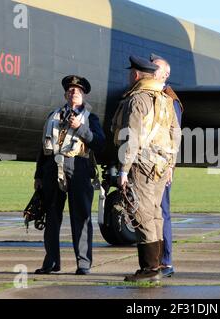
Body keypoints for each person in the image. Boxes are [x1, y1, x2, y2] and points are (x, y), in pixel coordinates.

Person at [112, 56, 181, 282]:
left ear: (136, 75)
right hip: (161, 166)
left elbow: (131, 138)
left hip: (141, 164)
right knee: (155, 214)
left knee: (141, 214)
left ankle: (149, 269)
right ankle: (160, 264)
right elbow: (176, 134)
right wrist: (170, 164)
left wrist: (123, 170)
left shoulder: (138, 99)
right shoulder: (166, 99)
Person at [34, 75, 105, 275]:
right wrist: (38, 175)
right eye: (70, 89)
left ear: (83, 94)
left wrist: (80, 128)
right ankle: (51, 262)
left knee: (81, 217)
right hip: (52, 166)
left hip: (79, 166)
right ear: (66, 94)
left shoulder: (90, 118)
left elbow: (99, 143)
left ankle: (83, 263)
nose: (73, 92)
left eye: (77, 90)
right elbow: (43, 147)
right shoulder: (53, 115)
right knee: (51, 216)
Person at [150, 53, 184, 278]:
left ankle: (166, 261)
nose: (151, 72)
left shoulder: (169, 99)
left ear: (166, 74)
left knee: (162, 212)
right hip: (145, 164)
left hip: (161, 166)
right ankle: (152, 261)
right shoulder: (146, 94)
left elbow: (174, 135)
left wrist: (170, 166)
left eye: (155, 69)